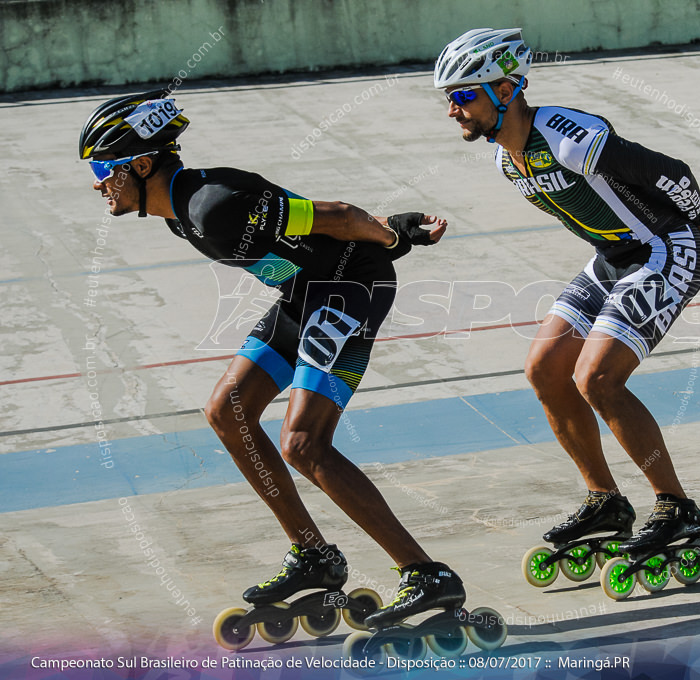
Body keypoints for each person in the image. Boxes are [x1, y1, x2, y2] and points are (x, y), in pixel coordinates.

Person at [79, 91, 464, 627]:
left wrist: (393, 232)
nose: (97, 182)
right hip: (306, 291)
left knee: (303, 444)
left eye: (103, 168)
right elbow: (307, 234)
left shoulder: (214, 206)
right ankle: (312, 556)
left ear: (142, 164)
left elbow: (339, 216)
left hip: (350, 286)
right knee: (227, 411)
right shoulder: (180, 212)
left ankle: (426, 575)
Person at [434, 29, 700, 556]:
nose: (453, 110)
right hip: (615, 257)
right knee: (544, 367)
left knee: (596, 377)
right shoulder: (510, 160)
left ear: (505, 91)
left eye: (464, 96)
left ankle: (675, 506)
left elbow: (671, 173)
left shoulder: (569, 137)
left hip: (663, 251)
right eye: (450, 99)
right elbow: (611, 204)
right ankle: (606, 501)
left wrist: (689, 220)